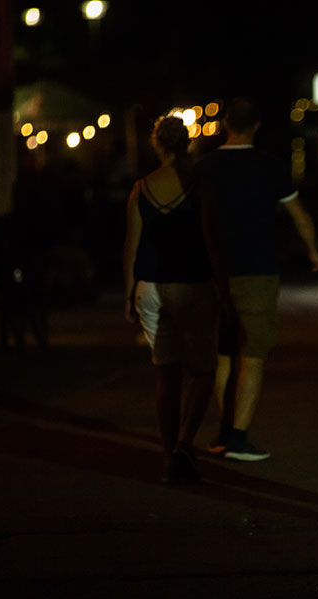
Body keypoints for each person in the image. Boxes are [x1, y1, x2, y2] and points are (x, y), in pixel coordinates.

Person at [196, 97, 318, 462]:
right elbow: (298, 214)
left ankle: (223, 432)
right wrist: (313, 251)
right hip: (258, 270)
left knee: (222, 354)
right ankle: (237, 437)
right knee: (252, 354)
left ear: (225, 124)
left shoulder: (204, 167)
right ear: (257, 126)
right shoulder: (270, 166)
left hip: (214, 272)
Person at [122, 113, 230, 484]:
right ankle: (185, 444)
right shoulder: (199, 187)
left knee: (166, 376)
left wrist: (128, 294)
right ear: (186, 145)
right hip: (193, 285)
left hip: (150, 288)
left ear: (157, 145)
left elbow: (131, 248)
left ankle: (169, 459)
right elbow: (213, 243)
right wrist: (225, 289)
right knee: (202, 371)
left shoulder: (140, 188)